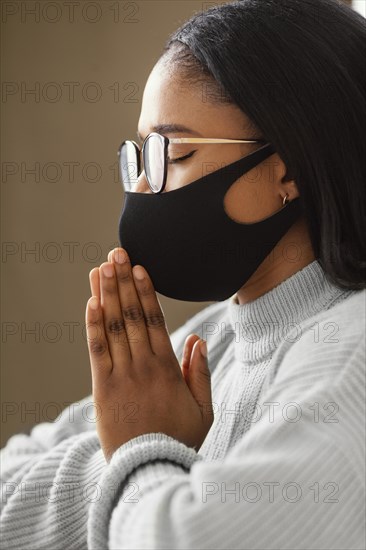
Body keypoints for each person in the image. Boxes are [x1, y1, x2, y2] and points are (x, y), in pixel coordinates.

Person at [1, 0, 365, 548]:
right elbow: (8, 475)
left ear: (288, 165)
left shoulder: (350, 361)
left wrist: (140, 449)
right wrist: (136, 454)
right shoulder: (215, 337)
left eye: (170, 151)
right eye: (141, 153)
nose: (143, 188)